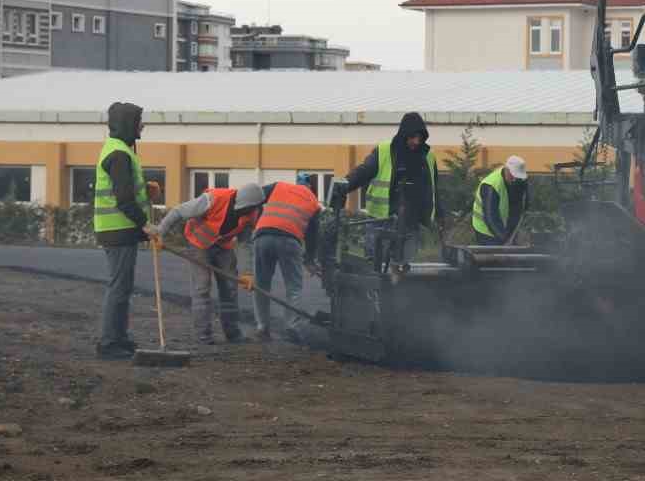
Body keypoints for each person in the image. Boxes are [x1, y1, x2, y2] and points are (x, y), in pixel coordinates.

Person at [157, 181, 267, 345]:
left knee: (230, 288)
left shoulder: (251, 214)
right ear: (244, 204)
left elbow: (245, 244)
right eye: (252, 209)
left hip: (223, 246)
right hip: (198, 244)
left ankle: (233, 333)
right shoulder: (213, 199)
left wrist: (247, 273)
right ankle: (203, 335)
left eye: (256, 209)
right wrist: (160, 233)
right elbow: (179, 211)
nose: (254, 212)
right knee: (202, 288)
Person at [333, 112, 444, 268]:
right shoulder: (385, 150)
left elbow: (433, 188)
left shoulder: (428, 156)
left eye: (419, 137)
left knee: (405, 268)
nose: (416, 141)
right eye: (412, 137)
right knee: (375, 266)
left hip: (412, 222)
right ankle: (374, 291)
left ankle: (403, 291)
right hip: (382, 220)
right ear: (404, 134)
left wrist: (439, 214)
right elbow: (364, 172)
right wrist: (346, 184)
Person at [93, 101, 159, 360]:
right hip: (117, 230)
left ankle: (119, 338)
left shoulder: (119, 150)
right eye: (138, 121)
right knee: (119, 287)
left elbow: (127, 189)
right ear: (128, 124)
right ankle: (110, 344)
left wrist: (145, 188)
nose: (142, 125)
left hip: (120, 230)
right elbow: (123, 199)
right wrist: (145, 224)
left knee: (123, 286)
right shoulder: (119, 154)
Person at [253, 173, 324, 345]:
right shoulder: (314, 202)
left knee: (261, 285)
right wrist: (309, 260)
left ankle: (262, 327)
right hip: (289, 240)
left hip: (262, 236)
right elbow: (312, 236)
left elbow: (254, 197)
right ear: (311, 188)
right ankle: (292, 326)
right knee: (294, 287)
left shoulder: (278, 186)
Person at [472, 155, 529, 246]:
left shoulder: (520, 181)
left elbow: (522, 206)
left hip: (505, 225)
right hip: (486, 230)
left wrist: (514, 235)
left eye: (517, 176)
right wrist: (504, 240)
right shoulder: (491, 185)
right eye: (513, 175)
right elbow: (491, 217)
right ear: (506, 169)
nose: (515, 179)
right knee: (494, 257)